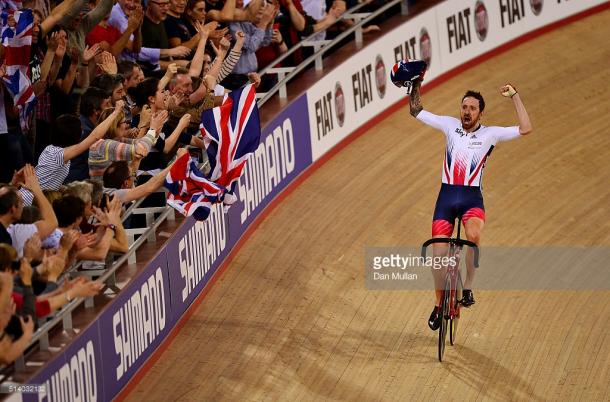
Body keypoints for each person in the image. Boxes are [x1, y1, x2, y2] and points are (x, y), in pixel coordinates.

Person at [408, 81, 533, 330]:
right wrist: (416, 84)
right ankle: (438, 304)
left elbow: (526, 128)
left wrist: (515, 96)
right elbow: (416, 110)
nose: (466, 111)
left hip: (471, 200)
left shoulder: (491, 134)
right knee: (438, 260)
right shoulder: (449, 125)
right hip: (446, 199)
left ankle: (467, 289)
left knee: (473, 235)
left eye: (472, 108)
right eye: (464, 107)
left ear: (480, 113)